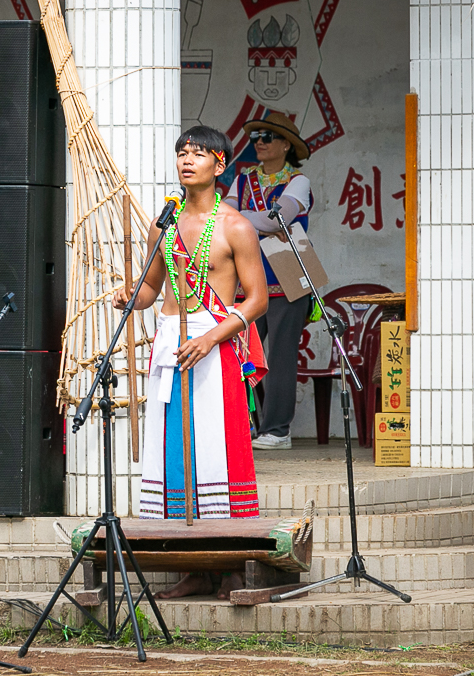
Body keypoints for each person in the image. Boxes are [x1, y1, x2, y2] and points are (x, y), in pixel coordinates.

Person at [112, 126, 268, 599]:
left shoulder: (234, 226)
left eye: (198, 154)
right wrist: (128, 296)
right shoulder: (164, 224)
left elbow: (257, 300)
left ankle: (231, 566)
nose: (187, 160)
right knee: (175, 452)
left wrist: (212, 339)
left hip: (215, 343)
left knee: (218, 452)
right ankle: (194, 567)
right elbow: (152, 289)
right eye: (182, 153)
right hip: (169, 340)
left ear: (220, 165)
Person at [222, 112, 312, 451]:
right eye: (256, 135)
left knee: (282, 355)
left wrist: (239, 217)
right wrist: (245, 218)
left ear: (286, 145)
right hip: (248, 279)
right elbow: (224, 216)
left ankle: (277, 430)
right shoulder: (243, 179)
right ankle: (244, 426)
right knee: (240, 355)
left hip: (288, 276)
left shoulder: (298, 181)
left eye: (267, 136)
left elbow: (279, 218)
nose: (259, 141)